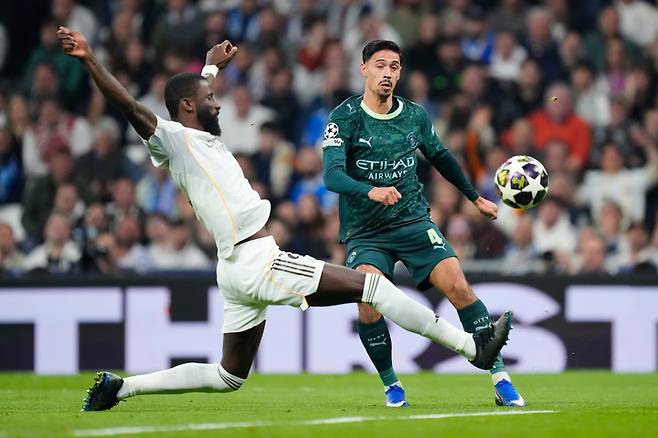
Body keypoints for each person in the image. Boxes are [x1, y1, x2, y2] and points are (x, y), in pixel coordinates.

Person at [56, 27, 512, 412]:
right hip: (257, 259)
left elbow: (191, 94)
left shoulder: (197, 135)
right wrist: (90, 59)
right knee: (373, 288)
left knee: (229, 376)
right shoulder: (173, 139)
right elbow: (131, 106)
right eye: (211, 98)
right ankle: (472, 348)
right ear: (189, 107)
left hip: (234, 269)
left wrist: (210, 67)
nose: (218, 103)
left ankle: (122, 388)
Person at [322, 40, 524, 408]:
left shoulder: (414, 115)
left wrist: (474, 197)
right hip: (365, 232)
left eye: (394, 66)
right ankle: (391, 384)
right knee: (368, 301)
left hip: (412, 221)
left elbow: (441, 156)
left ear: (400, 73)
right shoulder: (344, 118)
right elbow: (332, 176)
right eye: (380, 65)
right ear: (364, 69)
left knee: (458, 285)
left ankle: (500, 378)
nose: (387, 73)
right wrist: (371, 191)